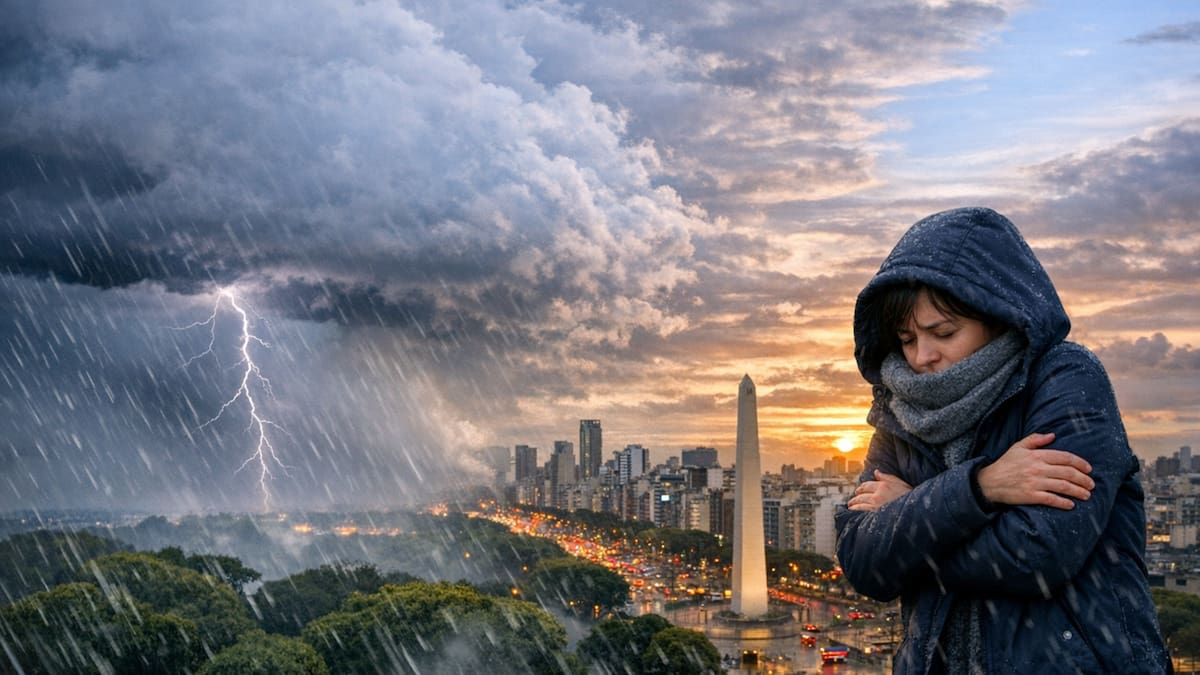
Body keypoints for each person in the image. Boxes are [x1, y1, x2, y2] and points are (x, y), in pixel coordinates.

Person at [835, 207, 1170, 674]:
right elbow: (862, 561)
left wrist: (912, 522)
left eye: (943, 333)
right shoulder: (900, 413)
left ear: (997, 316)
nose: (921, 357)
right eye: (907, 338)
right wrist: (982, 486)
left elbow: (1040, 553)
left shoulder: (1067, 380)